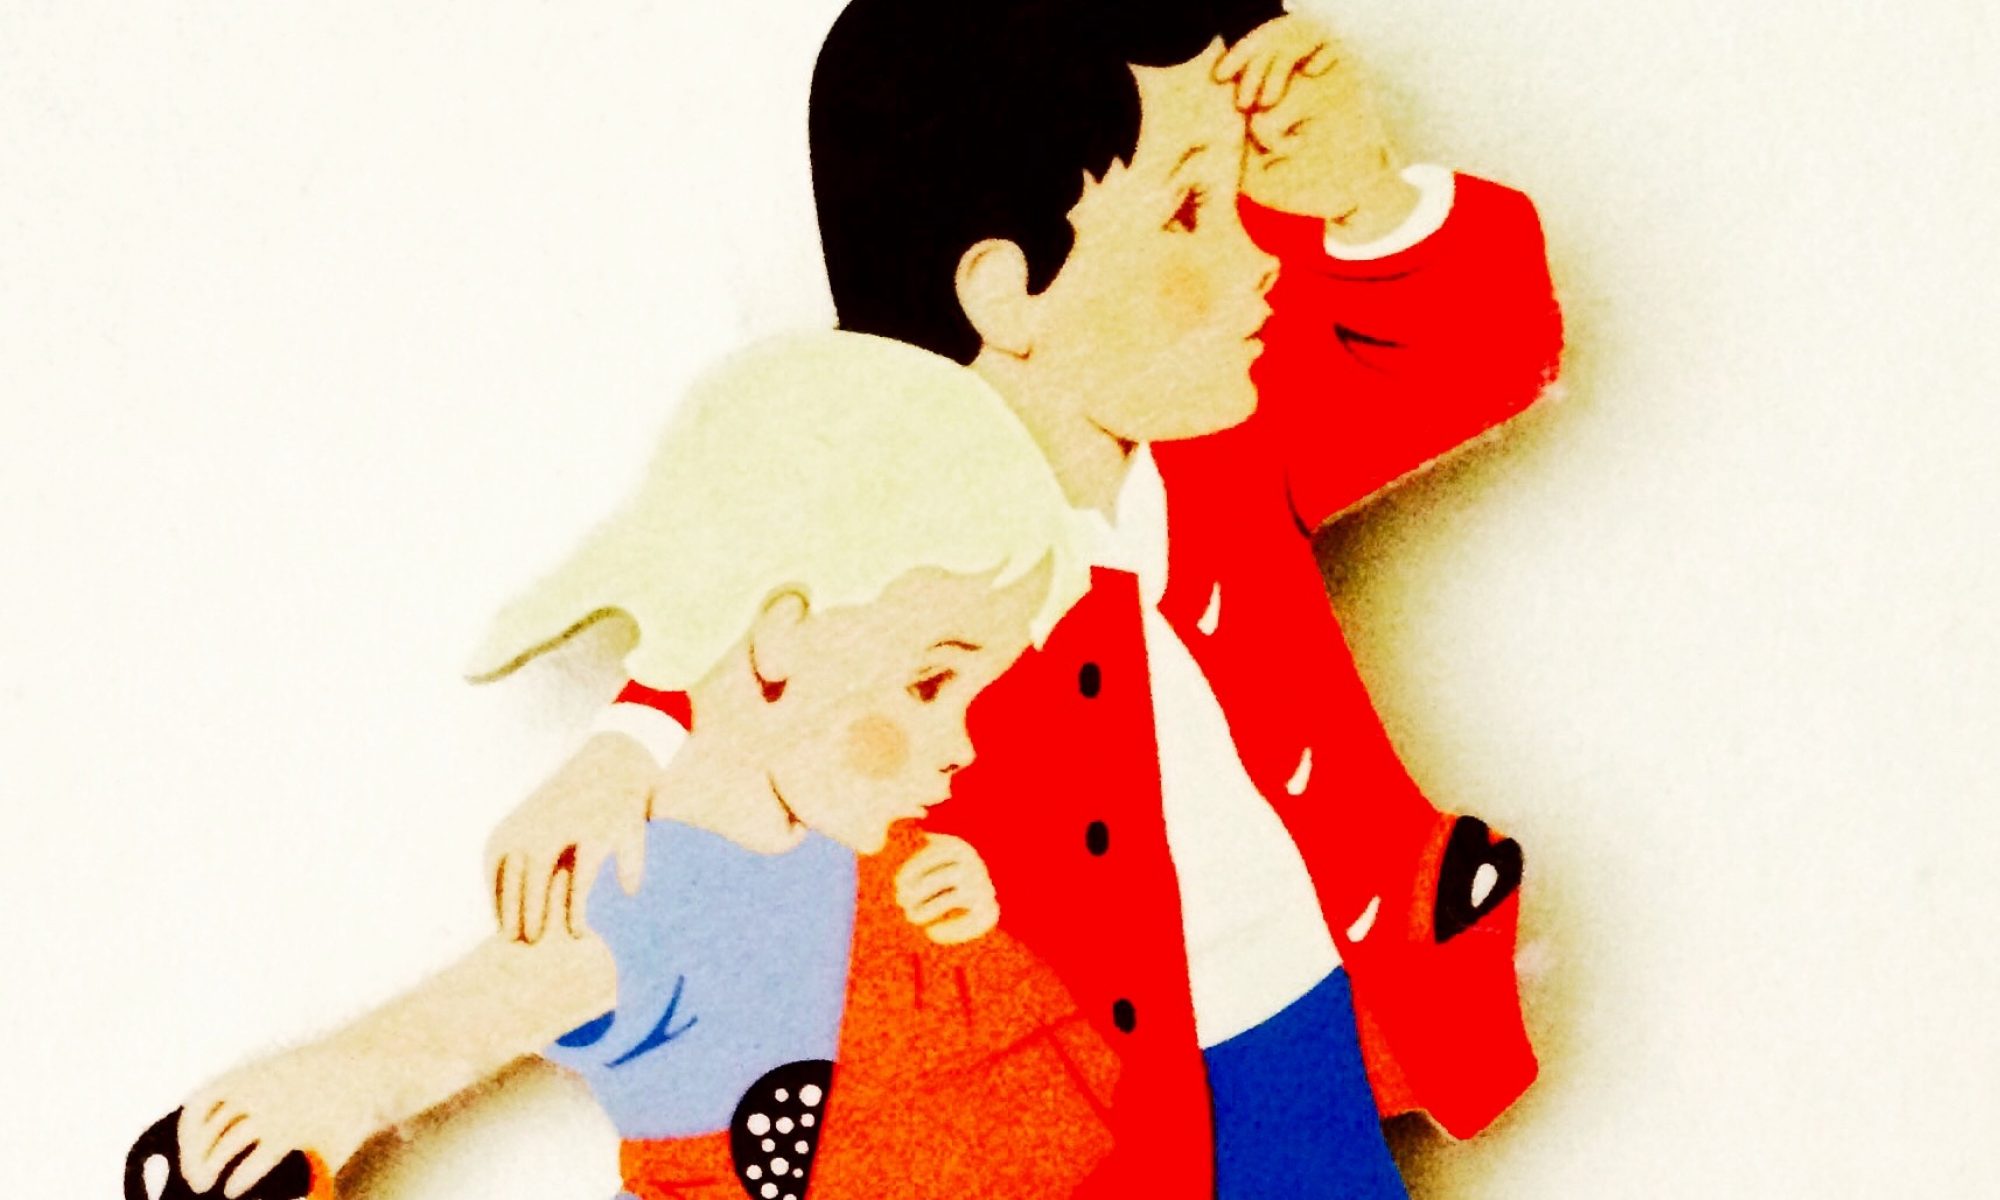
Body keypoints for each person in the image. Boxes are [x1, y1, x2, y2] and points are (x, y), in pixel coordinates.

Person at [490, 3, 1565, 1195]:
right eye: (1191, 208)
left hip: (1305, 1014)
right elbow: (762, 629)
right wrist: (627, 750)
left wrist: (1357, 191)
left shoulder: (1232, 438)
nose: (1263, 256)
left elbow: (1486, 351)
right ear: (1004, 293)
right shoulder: (897, 537)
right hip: (1069, 1094)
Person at [153, 332, 1111, 1200]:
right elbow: (459, 1024)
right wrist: (310, 1099)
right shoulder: (657, 888)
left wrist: (964, 910)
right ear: (778, 643)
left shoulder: (868, 861)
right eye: (931, 685)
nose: (963, 742)